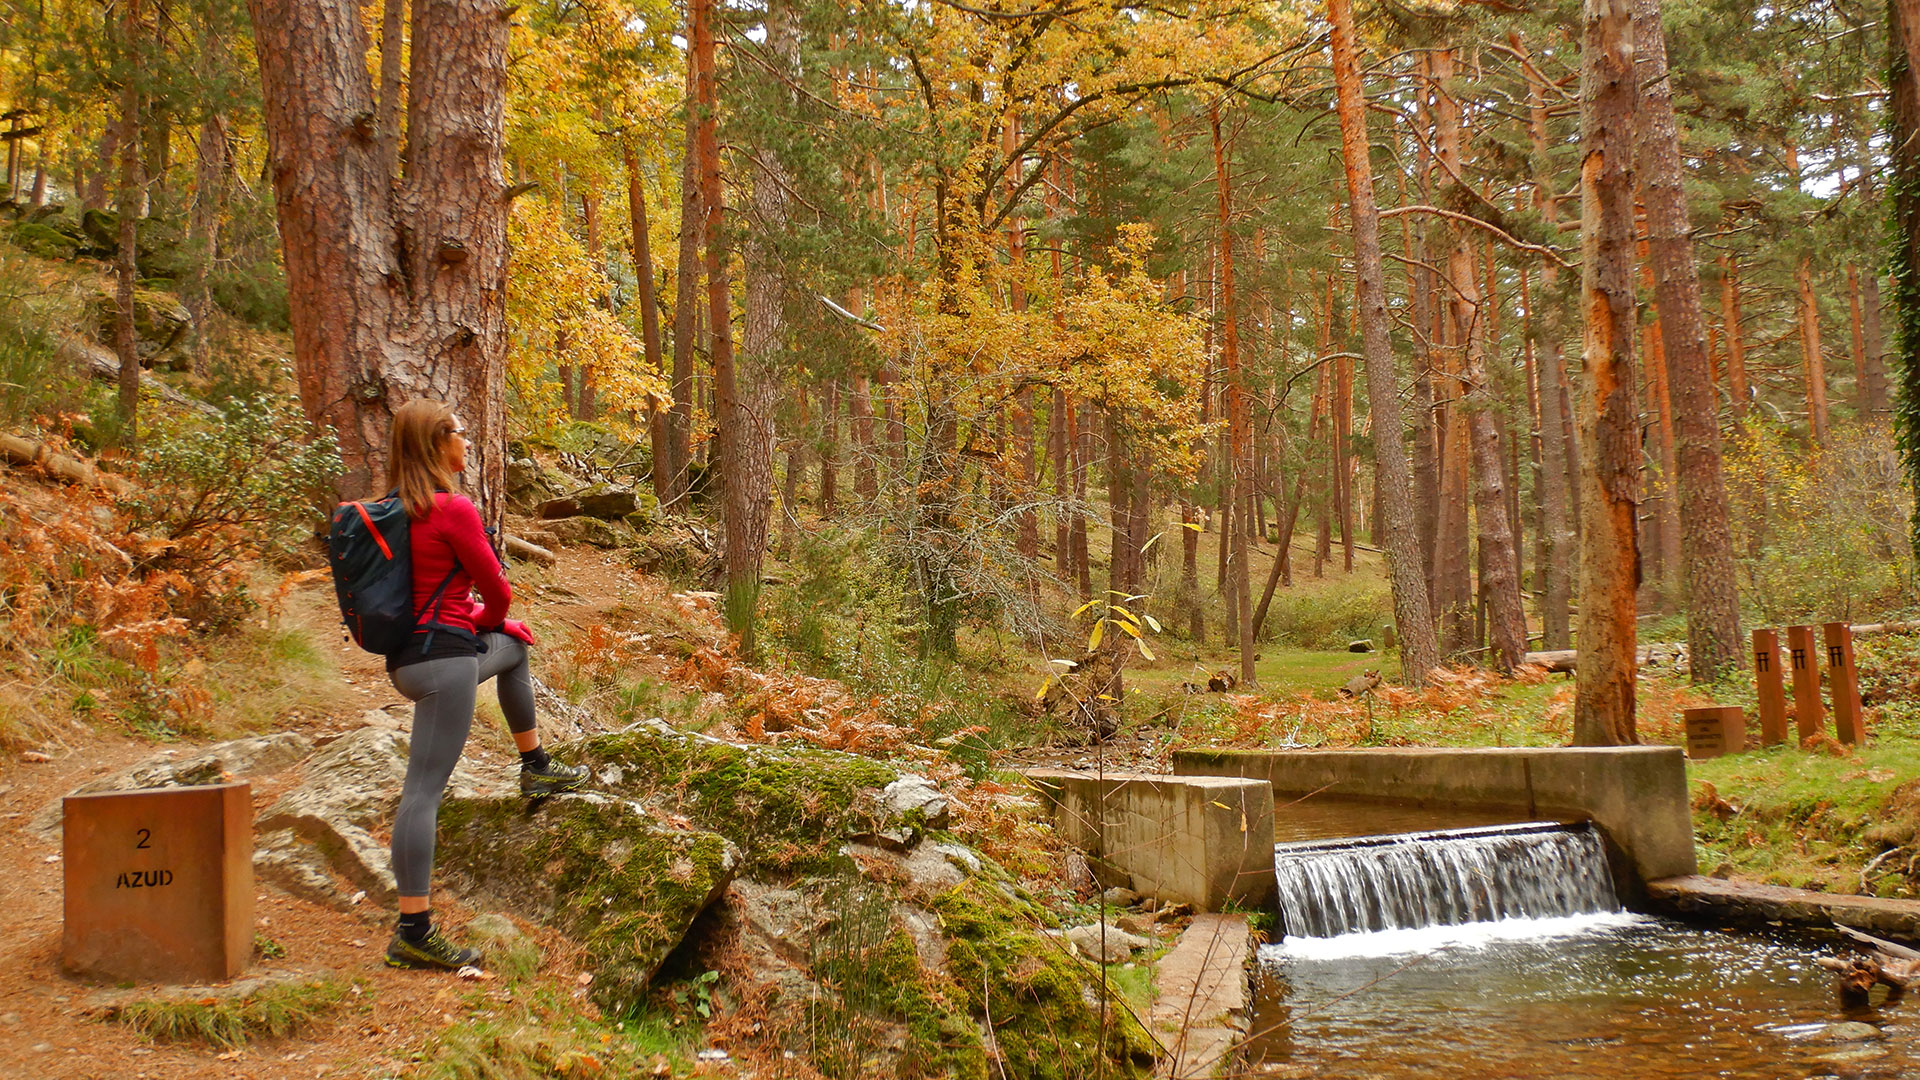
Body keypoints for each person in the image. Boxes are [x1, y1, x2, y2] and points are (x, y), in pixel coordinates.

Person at [380, 398, 588, 971]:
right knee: (422, 792)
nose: (468, 443)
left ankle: (535, 766)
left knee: (514, 648)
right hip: (446, 666)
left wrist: (490, 626)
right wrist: (488, 618)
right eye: (461, 434)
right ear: (437, 442)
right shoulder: (453, 510)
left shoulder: (388, 510)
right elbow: (498, 596)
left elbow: (431, 598)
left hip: (408, 662)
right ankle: (414, 931)